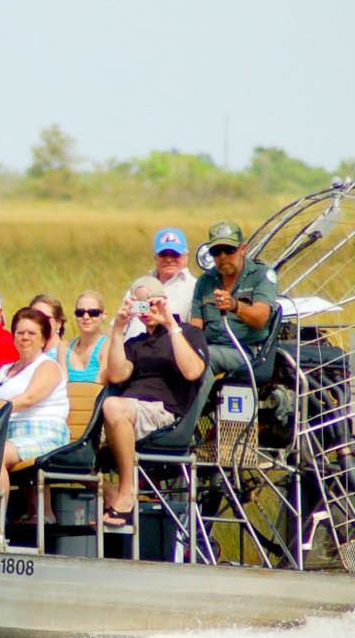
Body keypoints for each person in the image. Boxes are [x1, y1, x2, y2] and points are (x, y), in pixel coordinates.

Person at [101, 277, 209, 529]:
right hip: (128, 410)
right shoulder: (135, 343)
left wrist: (171, 324)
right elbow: (117, 375)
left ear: (163, 303)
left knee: (114, 406)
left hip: (162, 413)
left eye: (151, 304)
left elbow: (193, 371)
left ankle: (128, 491)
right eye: (140, 306)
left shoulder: (189, 334)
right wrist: (118, 329)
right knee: (71, 438)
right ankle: (110, 491)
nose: (146, 311)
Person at [0, 307, 69, 497]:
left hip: (44, 434)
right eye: (20, 333)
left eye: (32, 333)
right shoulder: (3, 371)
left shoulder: (48, 366)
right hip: (7, 434)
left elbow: (29, 398)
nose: (25, 337)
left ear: (43, 339)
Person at [187, 219, 278, 374]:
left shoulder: (261, 275)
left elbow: (260, 319)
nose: (223, 257)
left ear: (242, 249)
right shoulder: (205, 281)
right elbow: (196, 327)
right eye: (216, 252)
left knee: (204, 359)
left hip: (247, 350)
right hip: (210, 346)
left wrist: (235, 306)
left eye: (229, 250)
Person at [124, 227, 197, 338]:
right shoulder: (140, 285)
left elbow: (194, 333)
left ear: (186, 256)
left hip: (166, 350)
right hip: (129, 348)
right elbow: (119, 323)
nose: (169, 259)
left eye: (174, 254)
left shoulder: (194, 287)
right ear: (155, 256)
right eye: (163, 254)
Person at [63, 289, 109, 383]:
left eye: (93, 313)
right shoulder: (67, 348)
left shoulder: (107, 346)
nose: (86, 317)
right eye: (80, 313)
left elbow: (99, 386)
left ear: (103, 315)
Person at [29, 293, 67, 362]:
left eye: (45, 317)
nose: (39, 321)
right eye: (33, 317)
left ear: (58, 323)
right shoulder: (27, 356)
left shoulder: (66, 357)